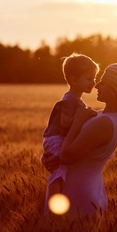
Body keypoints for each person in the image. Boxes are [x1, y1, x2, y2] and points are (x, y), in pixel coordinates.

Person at [42, 63, 117, 218]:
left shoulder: (105, 123)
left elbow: (66, 156)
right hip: (78, 189)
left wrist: (77, 122)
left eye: (103, 82)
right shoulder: (102, 116)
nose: (97, 85)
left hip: (78, 195)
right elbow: (66, 144)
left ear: (115, 91)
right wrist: (48, 157)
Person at [42, 53, 99, 214]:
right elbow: (65, 122)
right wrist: (84, 116)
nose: (93, 83)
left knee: (62, 172)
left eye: (94, 78)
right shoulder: (69, 100)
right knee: (58, 171)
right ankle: (53, 202)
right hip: (56, 139)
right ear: (74, 80)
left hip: (60, 139)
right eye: (89, 79)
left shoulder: (77, 100)